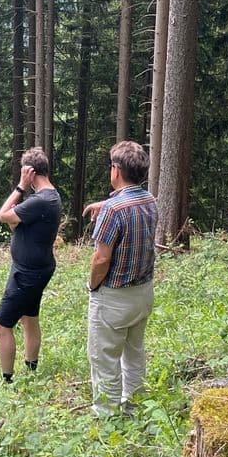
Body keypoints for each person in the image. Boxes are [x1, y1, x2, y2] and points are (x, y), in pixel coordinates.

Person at [85, 140, 158, 416]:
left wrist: (93, 285)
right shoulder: (150, 201)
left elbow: (101, 258)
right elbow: (131, 200)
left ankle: (107, 415)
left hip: (113, 296)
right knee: (134, 352)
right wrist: (104, 203)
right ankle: (134, 405)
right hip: (143, 292)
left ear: (116, 170)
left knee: (104, 357)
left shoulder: (113, 211)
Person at [0, 147, 62, 382]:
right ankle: (31, 370)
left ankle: (7, 381)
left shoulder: (40, 201)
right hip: (35, 268)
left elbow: (3, 215)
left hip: (27, 273)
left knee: (0, 325)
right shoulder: (50, 197)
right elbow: (15, 224)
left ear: (30, 172)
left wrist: (20, 187)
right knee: (29, 318)